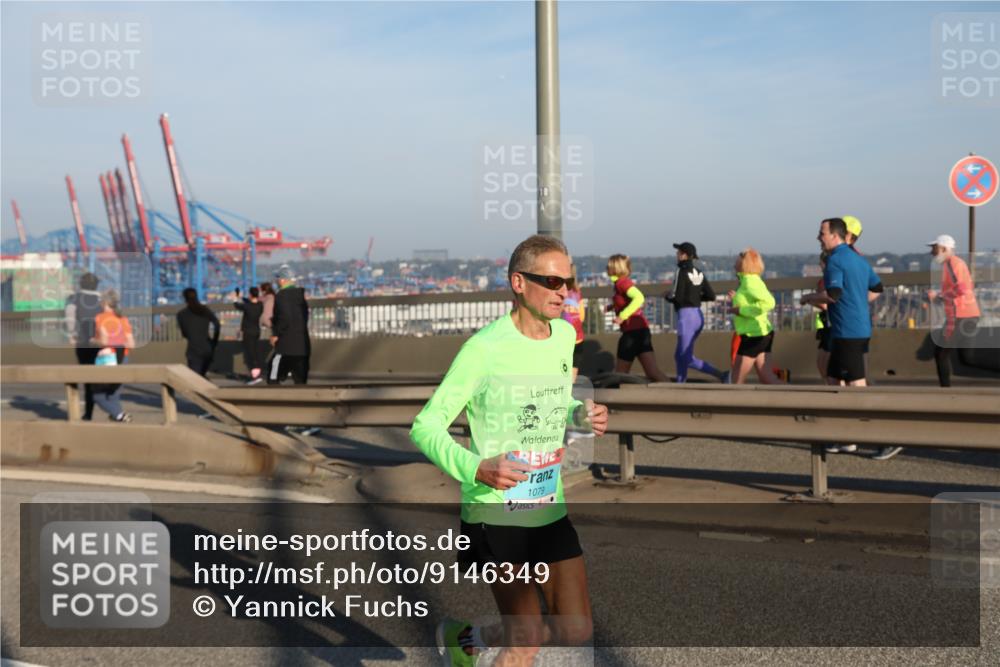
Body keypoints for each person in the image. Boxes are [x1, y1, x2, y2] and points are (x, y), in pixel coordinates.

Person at [411, 234, 608, 667]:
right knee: (526, 641)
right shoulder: (483, 350)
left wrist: (579, 415)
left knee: (575, 628)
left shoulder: (563, 337)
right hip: (496, 510)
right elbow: (425, 426)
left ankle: (468, 641)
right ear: (518, 282)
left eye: (568, 283)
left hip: (548, 506)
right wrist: (477, 468)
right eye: (552, 282)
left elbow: (548, 407)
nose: (564, 292)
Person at [802, 218, 884, 454]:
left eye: (822, 233)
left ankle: (881, 436)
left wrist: (809, 297)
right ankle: (846, 436)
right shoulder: (858, 259)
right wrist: (858, 302)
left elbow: (833, 294)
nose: (819, 237)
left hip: (847, 331)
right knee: (833, 379)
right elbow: (877, 288)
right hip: (856, 328)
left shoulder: (836, 260)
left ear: (835, 236)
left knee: (856, 384)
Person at [665, 242, 729, 383]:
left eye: (678, 252)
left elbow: (678, 297)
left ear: (684, 255)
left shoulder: (681, 271)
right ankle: (680, 384)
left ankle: (722, 375)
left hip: (686, 317)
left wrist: (667, 296)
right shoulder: (698, 273)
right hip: (697, 316)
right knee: (680, 355)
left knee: (685, 357)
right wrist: (695, 298)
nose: (676, 255)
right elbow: (711, 295)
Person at [927, 233, 982, 387]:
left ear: (944, 248)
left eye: (934, 248)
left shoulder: (952, 263)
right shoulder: (952, 264)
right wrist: (938, 298)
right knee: (967, 359)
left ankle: (945, 391)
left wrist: (938, 294)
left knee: (941, 353)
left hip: (961, 316)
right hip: (968, 315)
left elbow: (962, 289)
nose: (932, 252)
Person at [606, 254, 670, 382]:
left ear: (614, 268)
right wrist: (613, 306)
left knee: (620, 375)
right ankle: (676, 394)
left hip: (631, 333)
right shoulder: (621, 283)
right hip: (642, 331)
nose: (606, 269)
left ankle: (618, 401)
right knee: (653, 372)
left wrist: (622, 316)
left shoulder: (622, 283)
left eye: (608, 266)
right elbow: (627, 300)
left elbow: (639, 297)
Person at [728, 248, 782, 385]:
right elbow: (752, 302)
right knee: (766, 377)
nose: (736, 260)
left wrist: (740, 310)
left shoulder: (749, 282)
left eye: (740, 257)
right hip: (758, 334)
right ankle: (796, 397)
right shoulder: (749, 280)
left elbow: (769, 302)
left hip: (755, 336)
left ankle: (734, 405)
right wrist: (737, 299)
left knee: (737, 379)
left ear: (745, 263)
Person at [64, 272, 103, 420]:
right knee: (104, 375)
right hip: (102, 343)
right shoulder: (102, 300)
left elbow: (70, 319)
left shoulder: (74, 299)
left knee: (87, 377)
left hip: (83, 343)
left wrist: (71, 335)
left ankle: (88, 412)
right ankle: (112, 407)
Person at [91, 289, 135, 422]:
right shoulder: (123, 319)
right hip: (123, 357)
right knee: (114, 394)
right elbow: (131, 344)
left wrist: (93, 340)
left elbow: (104, 341)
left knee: (98, 396)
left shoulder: (100, 318)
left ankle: (120, 415)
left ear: (104, 302)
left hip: (107, 359)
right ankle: (118, 418)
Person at [268, 265, 310, 385]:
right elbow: (305, 317)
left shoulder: (281, 296)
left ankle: (273, 402)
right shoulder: (301, 296)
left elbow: (285, 318)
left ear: (282, 280)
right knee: (301, 383)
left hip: (285, 347)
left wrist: (276, 334)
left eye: (277, 279)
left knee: (273, 375)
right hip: (303, 346)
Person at [177, 287, 220, 377]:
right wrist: (214, 342)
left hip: (193, 351)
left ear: (185, 298)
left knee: (195, 379)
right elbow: (217, 325)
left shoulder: (181, 314)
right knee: (201, 377)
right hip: (207, 349)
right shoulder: (205, 310)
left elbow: (184, 334)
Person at [234, 286, 264, 385]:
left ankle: (255, 376)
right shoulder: (260, 305)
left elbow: (236, 305)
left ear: (250, 294)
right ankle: (256, 374)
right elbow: (249, 302)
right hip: (256, 331)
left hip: (248, 332)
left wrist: (236, 296)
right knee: (255, 352)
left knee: (250, 354)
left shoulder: (247, 307)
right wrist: (242, 297)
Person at [560, 263, 585, 379]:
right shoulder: (577, 292)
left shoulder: (559, 291)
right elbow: (582, 316)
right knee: (574, 367)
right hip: (577, 335)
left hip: (562, 335)